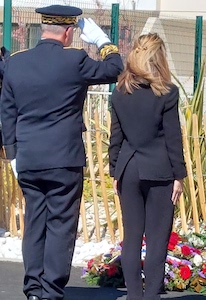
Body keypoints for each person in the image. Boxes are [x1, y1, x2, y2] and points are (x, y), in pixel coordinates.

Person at [0, 5, 123, 300]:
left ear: (43, 29)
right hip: (63, 158)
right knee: (60, 225)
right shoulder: (75, 60)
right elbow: (115, 69)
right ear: (68, 32)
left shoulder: (16, 63)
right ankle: (51, 290)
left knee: (34, 222)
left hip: (28, 158)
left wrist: (13, 154)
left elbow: (7, 112)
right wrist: (102, 41)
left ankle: (32, 289)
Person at [108, 33, 187, 300]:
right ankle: (150, 296)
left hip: (128, 169)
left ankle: (134, 296)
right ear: (159, 58)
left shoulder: (119, 92)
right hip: (160, 170)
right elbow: (173, 138)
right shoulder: (168, 93)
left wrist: (114, 171)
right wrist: (179, 176)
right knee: (156, 240)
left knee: (131, 237)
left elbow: (115, 137)